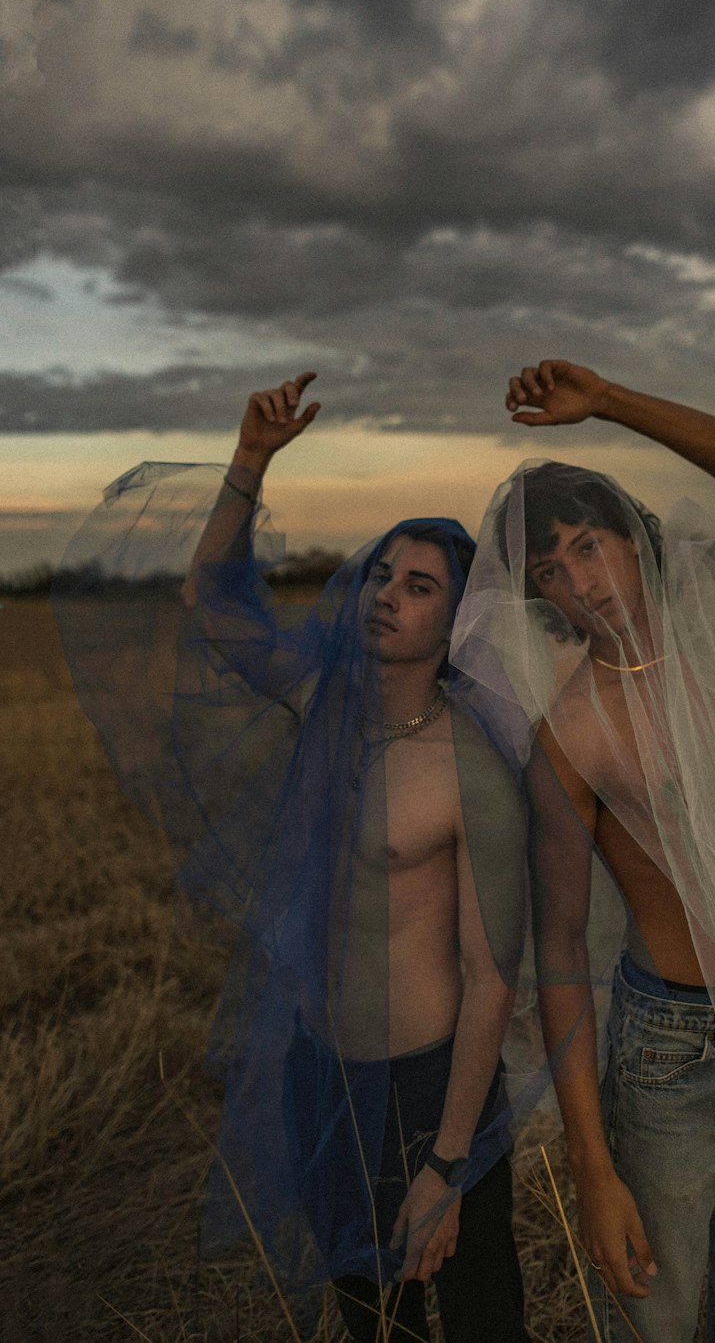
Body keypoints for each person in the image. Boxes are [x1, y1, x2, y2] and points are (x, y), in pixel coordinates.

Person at [54, 373, 533, 1343]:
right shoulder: (323, 698)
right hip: (325, 1070)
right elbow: (212, 604)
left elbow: (492, 977)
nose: (386, 596)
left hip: (427, 1089)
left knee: (482, 1319)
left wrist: (445, 1166)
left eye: (419, 585)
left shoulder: (469, 765)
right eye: (382, 575)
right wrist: (249, 458)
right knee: (369, 1315)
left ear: (455, 621)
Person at [450, 359, 715, 1343]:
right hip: (670, 1054)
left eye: (590, 546)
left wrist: (611, 403)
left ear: (633, 541)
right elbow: (563, 951)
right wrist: (592, 1170)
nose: (581, 581)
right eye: (551, 569)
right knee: (656, 1323)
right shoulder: (570, 732)